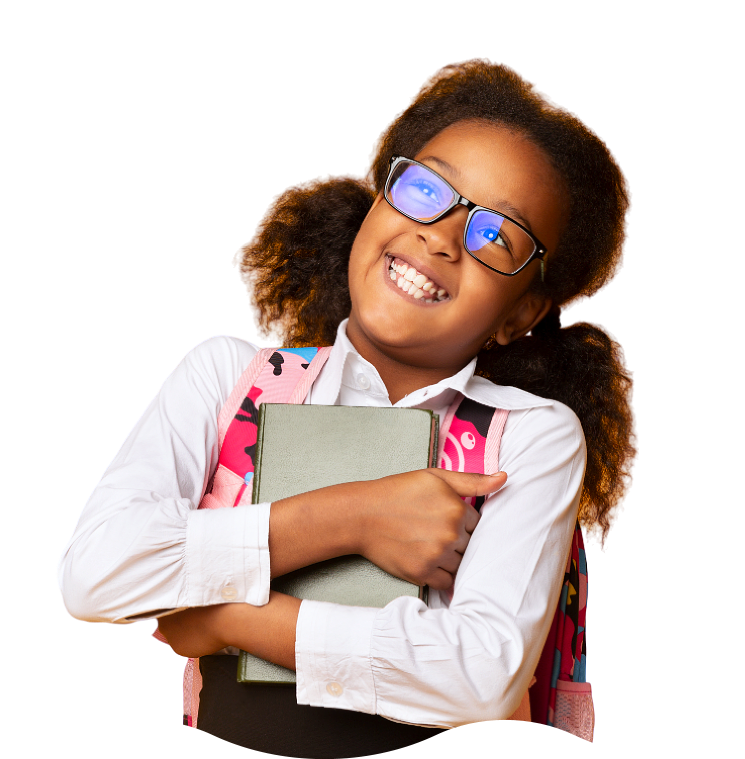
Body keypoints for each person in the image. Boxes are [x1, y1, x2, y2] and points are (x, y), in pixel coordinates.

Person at [56, 59, 635, 754]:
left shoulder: (530, 437)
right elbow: (95, 575)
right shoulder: (225, 374)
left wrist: (231, 619)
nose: (442, 237)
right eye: (425, 189)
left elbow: (479, 676)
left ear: (521, 313)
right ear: (376, 205)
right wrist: (351, 517)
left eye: (495, 237)